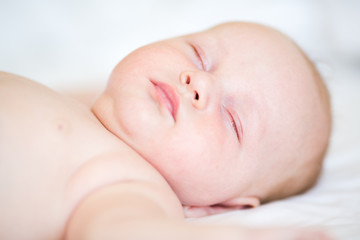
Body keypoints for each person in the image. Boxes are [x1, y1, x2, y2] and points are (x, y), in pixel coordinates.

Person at [0, 22, 332, 240]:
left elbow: (124, 231)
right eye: (199, 56)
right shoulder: (82, 106)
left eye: (233, 120)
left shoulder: (131, 185)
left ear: (223, 206)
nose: (199, 81)